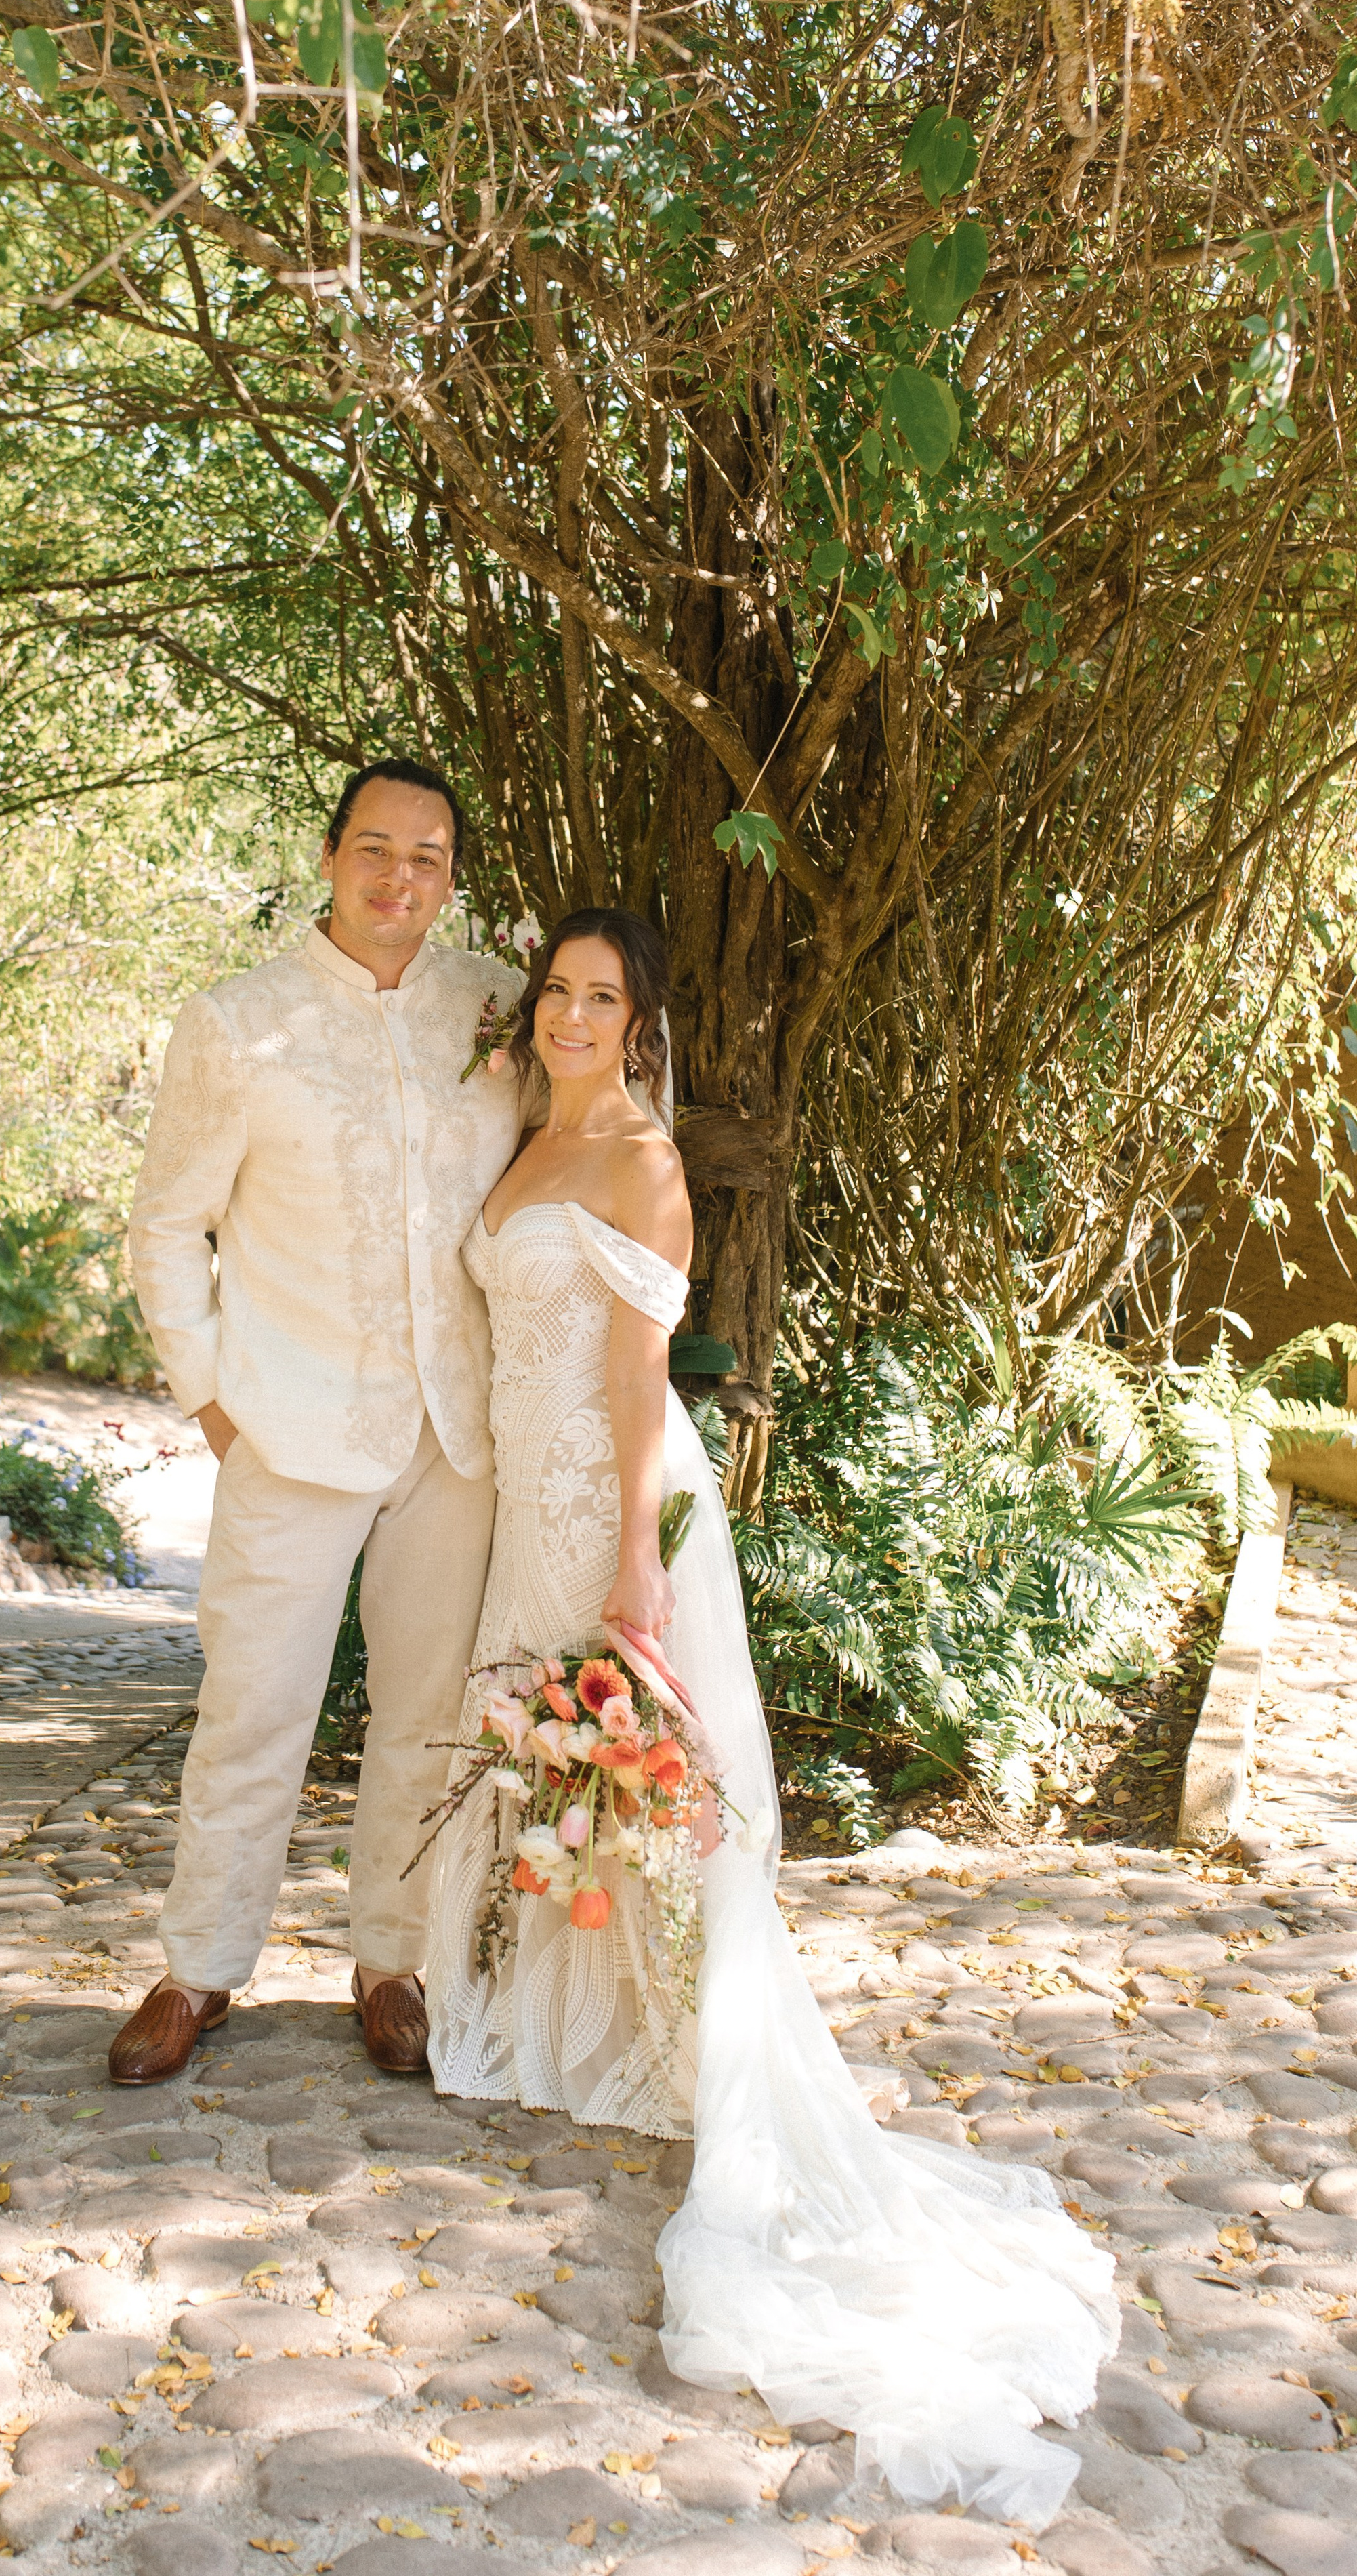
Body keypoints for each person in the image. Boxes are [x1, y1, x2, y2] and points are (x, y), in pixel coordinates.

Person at [424, 906, 1119, 2529]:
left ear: (640, 1024)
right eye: (556, 991)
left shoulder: (640, 1163)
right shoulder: (524, 1138)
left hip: (612, 1500)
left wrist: (631, 1564)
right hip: (527, 1496)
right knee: (558, 1763)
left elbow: (630, 1377)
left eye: (601, 998)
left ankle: (676, 2025)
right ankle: (569, 2016)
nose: (571, 1015)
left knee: (641, 1768)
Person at [111, 758, 525, 2083]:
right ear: (333, 855)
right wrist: (208, 1398)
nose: (400, 876)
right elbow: (166, 1225)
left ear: (452, 877)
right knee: (252, 1706)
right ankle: (198, 1969)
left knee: (426, 1715)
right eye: (376, 848)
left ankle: (392, 1962)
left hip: (455, 1435)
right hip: (287, 1428)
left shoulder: (499, 1010)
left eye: (428, 856)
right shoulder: (237, 1023)